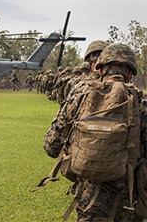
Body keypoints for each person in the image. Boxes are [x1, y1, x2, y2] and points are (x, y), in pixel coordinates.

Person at [43, 43, 146, 221]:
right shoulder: (141, 104)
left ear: (100, 69)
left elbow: (51, 147)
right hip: (129, 202)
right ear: (130, 73)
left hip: (90, 201)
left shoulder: (80, 95)